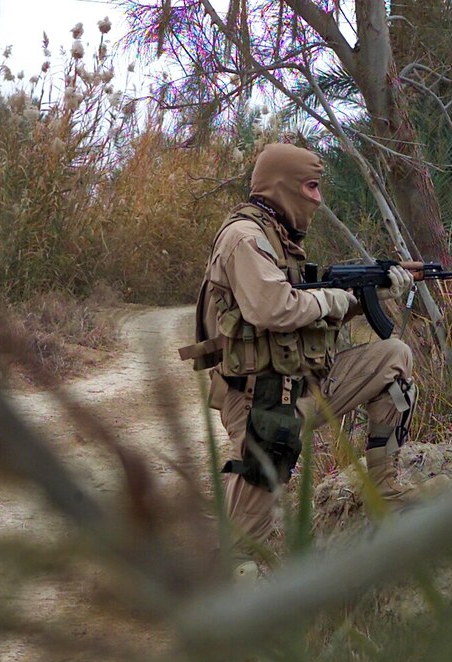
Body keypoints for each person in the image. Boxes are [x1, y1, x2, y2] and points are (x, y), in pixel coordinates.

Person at [179, 143, 418, 577]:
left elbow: (308, 311)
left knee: (394, 359)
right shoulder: (244, 238)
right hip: (260, 404)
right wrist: (332, 298)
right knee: (242, 546)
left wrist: (371, 294)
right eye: (311, 187)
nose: (318, 199)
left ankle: (385, 494)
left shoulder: (279, 238)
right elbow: (273, 308)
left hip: (304, 385)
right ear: (283, 186)